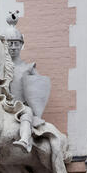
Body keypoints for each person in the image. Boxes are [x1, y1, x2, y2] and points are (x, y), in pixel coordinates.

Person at [4, 11, 51, 153]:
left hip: (20, 106)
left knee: (27, 113)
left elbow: (38, 87)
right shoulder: (0, 68)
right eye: (10, 43)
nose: (13, 47)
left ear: (21, 45)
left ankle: (24, 140)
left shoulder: (28, 67)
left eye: (16, 44)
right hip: (3, 106)